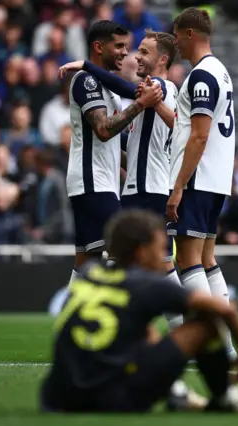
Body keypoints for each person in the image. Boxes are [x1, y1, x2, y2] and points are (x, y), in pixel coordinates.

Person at [39, 209, 238, 414]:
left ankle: (177, 393)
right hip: (112, 400)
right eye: (160, 247)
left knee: (139, 333)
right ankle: (224, 397)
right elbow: (226, 313)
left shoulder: (90, 271)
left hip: (56, 399)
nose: (164, 254)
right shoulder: (148, 284)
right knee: (206, 322)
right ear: (141, 252)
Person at [59, 30, 181, 328]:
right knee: (106, 260)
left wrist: (87, 65)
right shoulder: (146, 92)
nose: (133, 55)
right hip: (120, 186)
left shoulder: (160, 87)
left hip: (145, 188)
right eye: (127, 48)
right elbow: (120, 128)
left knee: (134, 261)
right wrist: (88, 68)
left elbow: (127, 91)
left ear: (162, 60)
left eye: (142, 51)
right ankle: (80, 326)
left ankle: (172, 329)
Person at [65, 20, 163, 285]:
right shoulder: (86, 81)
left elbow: (109, 144)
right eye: (119, 46)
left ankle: (70, 317)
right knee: (125, 250)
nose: (124, 53)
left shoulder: (106, 86)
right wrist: (140, 104)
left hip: (98, 182)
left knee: (88, 260)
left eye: (127, 47)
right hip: (92, 182)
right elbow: (103, 130)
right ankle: (129, 314)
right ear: (98, 46)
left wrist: (140, 164)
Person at [166, 7, 236, 358]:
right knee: (207, 259)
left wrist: (178, 186)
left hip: (198, 179)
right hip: (216, 180)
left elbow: (198, 136)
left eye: (177, 35)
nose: (175, 41)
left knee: (188, 261)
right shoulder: (221, 72)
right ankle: (225, 343)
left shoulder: (201, 76)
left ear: (190, 34)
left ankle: (212, 342)